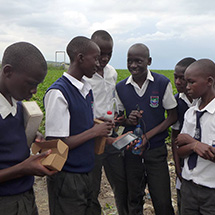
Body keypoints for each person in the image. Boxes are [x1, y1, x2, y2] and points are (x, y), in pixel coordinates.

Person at [44, 36, 112, 215]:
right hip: (68, 177)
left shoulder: (86, 88)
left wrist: (102, 129)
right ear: (80, 58)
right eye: (95, 58)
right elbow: (57, 144)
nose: (98, 64)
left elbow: (82, 128)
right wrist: (94, 131)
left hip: (87, 172)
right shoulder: (59, 92)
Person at [115, 43, 177, 215]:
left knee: (162, 200)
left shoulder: (161, 83)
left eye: (138, 61)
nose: (133, 65)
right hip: (131, 152)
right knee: (134, 198)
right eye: (130, 61)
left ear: (149, 61)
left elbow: (172, 116)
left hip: (156, 150)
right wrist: (128, 119)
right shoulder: (121, 88)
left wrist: (148, 136)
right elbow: (120, 119)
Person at [0, 42, 56, 215]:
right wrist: (23, 169)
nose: (34, 91)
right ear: (8, 71)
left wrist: (33, 135)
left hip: (25, 196)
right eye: (31, 84)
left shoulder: (15, 104)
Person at [83, 30, 128, 215]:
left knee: (121, 182)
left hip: (111, 134)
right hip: (92, 137)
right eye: (101, 53)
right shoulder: (84, 76)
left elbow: (112, 99)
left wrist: (118, 117)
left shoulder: (112, 73)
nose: (105, 58)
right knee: (92, 187)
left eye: (109, 53)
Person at [175, 59, 215, 215]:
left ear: (209, 81)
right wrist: (194, 146)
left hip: (211, 190)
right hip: (189, 186)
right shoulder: (191, 113)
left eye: (191, 82)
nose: (187, 87)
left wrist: (191, 142)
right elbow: (180, 151)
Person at [171, 57, 196, 214]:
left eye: (183, 78)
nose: (178, 82)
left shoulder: (204, 99)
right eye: (176, 77)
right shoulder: (176, 102)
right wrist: (177, 166)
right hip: (184, 158)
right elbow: (174, 136)